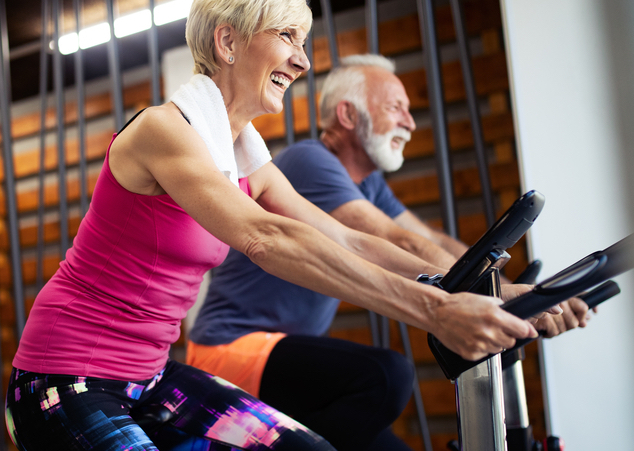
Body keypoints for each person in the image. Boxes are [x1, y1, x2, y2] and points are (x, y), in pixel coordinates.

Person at [4, 2, 542, 447]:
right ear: (228, 42)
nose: (302, 61)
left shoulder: (242, 152)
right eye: (288, 36)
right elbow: (266, 236)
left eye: (303, 42)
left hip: (151, 375)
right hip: (64, 378)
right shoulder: (163, 130)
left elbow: (346, 236)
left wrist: (482, 288)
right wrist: (437, 310)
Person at [187, 54, 591, 450]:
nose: (410, 122)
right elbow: (400, 242)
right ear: (347, 116)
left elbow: (429, 239)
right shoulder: (312, 161)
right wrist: (501, 294)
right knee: (384, 377)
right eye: (396, 108)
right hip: (229, 350)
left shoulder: (369, 184)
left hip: (287, 359)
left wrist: (508, 288)